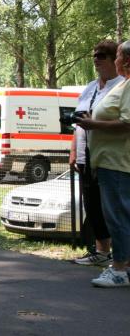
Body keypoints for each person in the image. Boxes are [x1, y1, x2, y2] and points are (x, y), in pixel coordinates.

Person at [76, 39, 130, 287]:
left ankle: (118, 269)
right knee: (117, 215)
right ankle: (124, 267)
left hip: (116, 162)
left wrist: (93, 124)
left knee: (117, 217)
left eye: (116, 56)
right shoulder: (122, 85)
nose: (115, 60)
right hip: (107, 161)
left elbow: (127, 123)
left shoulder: (126, 86)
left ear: (125, 61)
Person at [69, 40, 122, 266]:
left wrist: (95, 124)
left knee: (112, 207)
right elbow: (78, 123)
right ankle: (101, 251)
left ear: (114, 59)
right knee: (92, 205)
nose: (96, 60)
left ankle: (120, 257)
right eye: (94, 55)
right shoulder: (90, 87)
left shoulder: (122, 86)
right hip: (85, 156)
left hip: (108, 156)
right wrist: (73, 151)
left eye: (101, 56)